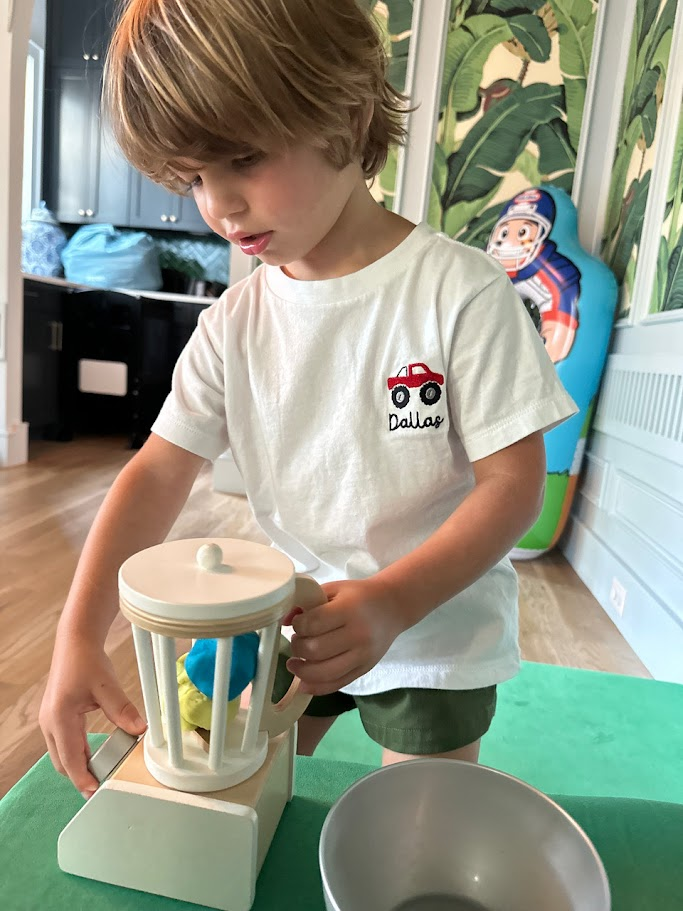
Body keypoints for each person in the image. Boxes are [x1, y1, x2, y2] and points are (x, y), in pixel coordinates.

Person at [39, 0, 577, 800]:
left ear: (341, 111)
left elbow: (513, 488)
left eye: (242, 159)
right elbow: (155, 473)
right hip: (293, 616)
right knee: (240, 797)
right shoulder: (234, 322)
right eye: (191, 178)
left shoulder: (458, 292)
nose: (218, 206)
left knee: (420, 826)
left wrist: (394, 601)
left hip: (433, 621)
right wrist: (78, 633)